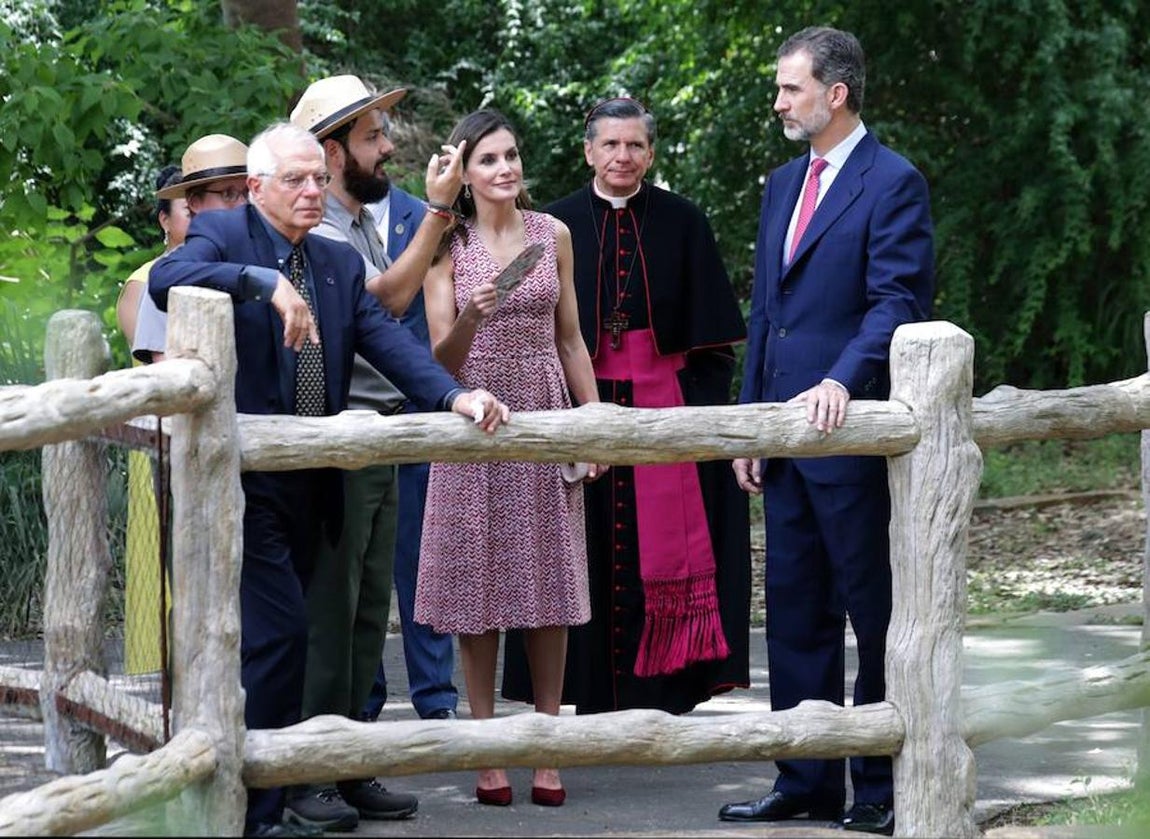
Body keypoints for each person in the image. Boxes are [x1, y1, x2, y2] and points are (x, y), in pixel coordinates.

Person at [149, 120, 510, 838]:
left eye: (319, 177)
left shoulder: (337, 261)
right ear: (255, 189)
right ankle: (257, 810)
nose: (314, 191)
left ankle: (293, 787)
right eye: (296, 180)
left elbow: (383, 339)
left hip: (319, 480)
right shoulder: (224, 237)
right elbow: (166, 280)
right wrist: (265, 285)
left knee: (327, 634)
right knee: (279, 634)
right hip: (240, 482)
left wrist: (454, 396)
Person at [718, 27, 935, 836]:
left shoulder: (894, 182)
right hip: (784, 436)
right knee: (796, 609)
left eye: (789, 88)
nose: (778, 102)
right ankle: (804, 778)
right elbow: (766, 313)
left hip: (852, 436)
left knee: (871, 611)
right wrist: (751, 424)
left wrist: (842, 379)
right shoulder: (782, 184)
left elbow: (897, 301)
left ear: (835, 93)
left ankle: (878, 784)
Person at [501, 97, 751, 716]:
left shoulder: (684, 221)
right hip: (571, 409)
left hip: (662, 415)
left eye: (635, 145)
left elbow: (713, 346)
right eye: (610, 145)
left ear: (651, 153)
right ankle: (573, 698)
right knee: (573, 553)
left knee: (655, 554)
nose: (622, 156)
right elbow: (515, 322)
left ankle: (662, 695)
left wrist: (690, 420)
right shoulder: (548, 225)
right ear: (588, 151)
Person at [283, 74, 463, 831]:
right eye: (371, 137)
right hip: (337, 437)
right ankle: (312, 772)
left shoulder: (355, 218)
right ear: (331, 152)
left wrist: (446, 396)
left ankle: (352, 762)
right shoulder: (313, 224)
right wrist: (442, 213)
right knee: (330, 610)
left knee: (366, 613)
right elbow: (386, 305)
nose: (387, 146)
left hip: (380, 434)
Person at [413, 108, 605, 808]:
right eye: (489, 159)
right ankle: (487, 747)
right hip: (474, 415)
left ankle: (547, 743)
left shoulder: (551, 233)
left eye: (512, 156)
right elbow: (440, 359)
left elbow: (572, 338)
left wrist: (591, 426)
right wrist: (474, 313)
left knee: (547, 584)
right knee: (477, 588)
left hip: (545, 409)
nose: (505, 169)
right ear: (463, 173)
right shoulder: (445, 244)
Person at [114, 163, 187, 676]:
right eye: (188, 206)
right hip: (162, 434)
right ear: (164, 219)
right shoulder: (142, 284)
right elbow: (149, 365)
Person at [132, 134, 252, 364]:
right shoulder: (168, 275)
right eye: (228, 194)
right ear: (194, 203)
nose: (242, 204)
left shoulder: (272, 257)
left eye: (248, 193)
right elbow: (167, 370)